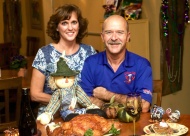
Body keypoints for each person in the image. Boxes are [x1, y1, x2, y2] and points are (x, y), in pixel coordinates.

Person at [30, 4, 96, 117]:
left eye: (74, 22)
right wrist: (65, 103)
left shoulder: (89, 51)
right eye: (64, 23)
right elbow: (35, 94)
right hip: (51, 115)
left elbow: (96, 87)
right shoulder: (44, 53)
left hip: (83, 115)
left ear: (79, 25)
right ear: (56, 27)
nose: (70, 28)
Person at [79, 15, 152, 112]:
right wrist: (105, 107)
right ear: (102, 37)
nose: (114, 38)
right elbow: (83, 100)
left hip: (133, 124)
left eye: (120, 32)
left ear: (128, 37)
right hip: (99, 124)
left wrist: (107, 95)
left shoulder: (142, 65)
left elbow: (144, 106)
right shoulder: (91, 63)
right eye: (108, 32)